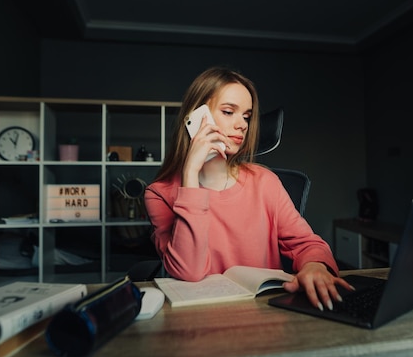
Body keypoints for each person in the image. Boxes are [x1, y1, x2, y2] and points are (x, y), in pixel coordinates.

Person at [144, 66, 352, 311]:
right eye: (229, 111)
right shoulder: (159, 193)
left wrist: (315, 266)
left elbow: (308, 244)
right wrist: (190, 174)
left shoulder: (265, 181)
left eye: (246, 116)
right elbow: (188, 271)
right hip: (199, 319)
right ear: (196, 117)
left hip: (265, 313)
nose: (242, 124)